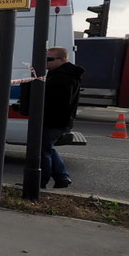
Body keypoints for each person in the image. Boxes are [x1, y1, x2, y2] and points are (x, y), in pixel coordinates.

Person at [27, 46, 83, 189]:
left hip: (54, 120)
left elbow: (57, 102)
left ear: (62, 59)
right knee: (48, 148)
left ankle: (39, 182)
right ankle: (62, 177)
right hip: (58, 120)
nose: (46, 62)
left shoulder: (63, 77)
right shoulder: (60, 74)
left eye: (49, 59)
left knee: (42, 150)